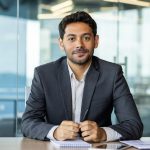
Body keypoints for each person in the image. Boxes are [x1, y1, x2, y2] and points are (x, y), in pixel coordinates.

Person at [21, 11, 143, 142]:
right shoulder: (44, 74)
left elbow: (134, 125)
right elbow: (28, 122)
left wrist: (103, 133)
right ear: (61, 43)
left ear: (96, 41)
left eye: (86, 38)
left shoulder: (112, 73)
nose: (79, 44)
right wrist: (55, 132)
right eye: (72, 38)